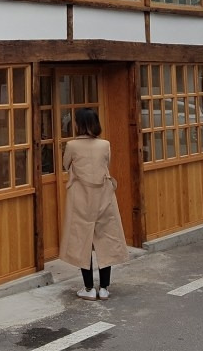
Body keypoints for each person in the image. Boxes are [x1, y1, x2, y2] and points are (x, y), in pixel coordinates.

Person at [59, 107, 130, 301]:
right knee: (106, 239)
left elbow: (65, 164)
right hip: (103, 196)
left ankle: (89, 288)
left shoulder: (71, 145)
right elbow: (106, 164)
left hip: (80, 198)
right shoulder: (105, 144)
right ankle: (104, 288)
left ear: (78, 124)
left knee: (82, 240)